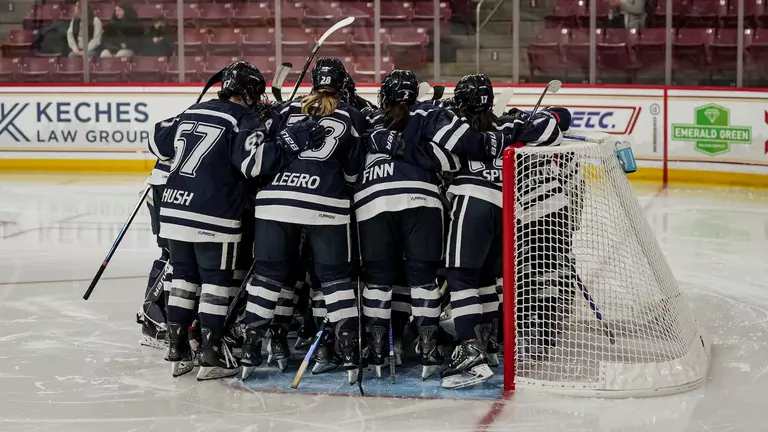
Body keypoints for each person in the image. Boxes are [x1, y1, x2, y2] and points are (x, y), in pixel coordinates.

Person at [147, 61, 326, 380]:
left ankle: (177, 348)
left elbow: (157, 142)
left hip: (173, 209)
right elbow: (254, 165)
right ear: (249, 93)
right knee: (215, 283)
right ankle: (211, 354)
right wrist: (288, 143)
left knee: (184, 278)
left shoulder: (192, 111)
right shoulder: (243, 117)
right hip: (213, 213)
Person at [357, 69, 525, 381]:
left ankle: (378, 348)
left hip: (375, 202)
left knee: (380, 279)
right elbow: (450, 159)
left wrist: (390, 146)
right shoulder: (434, 114)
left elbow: (351, 164)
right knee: (434, 280)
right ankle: (433, 349)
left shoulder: (370, 121)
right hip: (439, 202)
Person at [239, 57, 368, 383]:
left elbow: (262, 152)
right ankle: (351, 356)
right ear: (343, 85)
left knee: (268, 277)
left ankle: (251, 350)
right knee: (336, 279)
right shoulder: (352, 115)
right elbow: (353, 171)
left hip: (274, 202)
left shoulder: (285, 111)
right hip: (325, 202)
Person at [440, 74, 570, 389]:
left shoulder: (456, 126)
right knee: (486, 279)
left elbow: (437, 152)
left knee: (460, 278)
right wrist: (526, 120)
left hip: (472, 203)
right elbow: (553, 128)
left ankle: (470, 349)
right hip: (505, 208)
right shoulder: (509, 128)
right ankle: (487, 346)